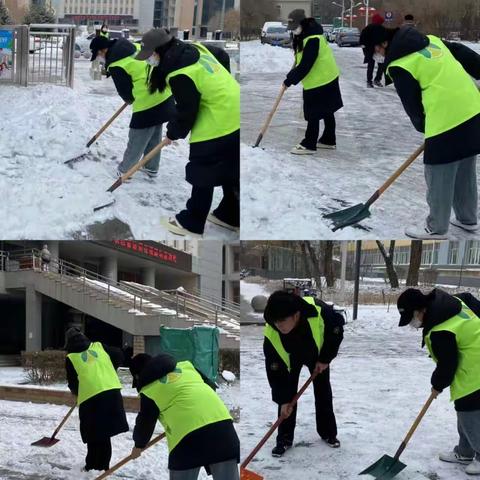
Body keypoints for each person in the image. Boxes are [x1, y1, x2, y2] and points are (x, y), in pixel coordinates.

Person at [364, 25, 480, 239]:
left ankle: (436, 227)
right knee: (464, 166)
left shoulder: (400, 64)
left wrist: (426, 128)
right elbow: (466, 55)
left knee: (438, 172)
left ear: (383, 44)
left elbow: (413, 106)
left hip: (446, 117)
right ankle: (467, 219)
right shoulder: (432, 39)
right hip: (473, 108)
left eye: (374, 50)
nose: (376, 55)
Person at [134, 29, 240, 237]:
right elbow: (221, 56)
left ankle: (192, 222)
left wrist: (173, 132)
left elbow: (186, 111)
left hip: (218, 119)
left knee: (203, 169)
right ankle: (230, 214)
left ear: (159, 51)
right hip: (235, 109)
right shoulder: (193, 48)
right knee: (229, 167)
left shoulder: (179, 73)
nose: (149, 60)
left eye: (150, 55)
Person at [397, 288, 480, 476]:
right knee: (464, 407)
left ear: (420, 310)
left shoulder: (440, 331)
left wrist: (437, 385)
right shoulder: (448, 303)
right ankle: (465, 452)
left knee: (469, 412)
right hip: (473, 361)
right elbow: (468, 298)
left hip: (475, 368)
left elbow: (447, 365)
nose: (413, 324)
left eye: (412, 318)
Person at [129, 353, 240, 479]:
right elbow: (210, 386)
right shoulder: (187, 367)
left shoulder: (149, 390)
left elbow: (145, 424)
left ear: (138, 376)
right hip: (223, 428)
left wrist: (138, 445)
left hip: (187, 442)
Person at [263, 290, 344, 457]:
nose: (278, 325)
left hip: (316, 354)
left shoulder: (319, 311)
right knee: (287, 398)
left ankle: (328, 433)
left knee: (323, 391)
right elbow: (275, 371)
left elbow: (336, 330)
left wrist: (325, 358)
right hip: (289, 360)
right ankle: (284, 439)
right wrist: (283, 399)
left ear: (296, 315)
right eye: (275, 321)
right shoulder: (271, 333)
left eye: (282, 321)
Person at [89, 34, 174, 179]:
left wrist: (129, 98)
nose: (99, 59)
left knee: (138, 136)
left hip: (148, 99)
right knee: (153, 132)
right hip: (164, 91)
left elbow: (125, 91)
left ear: (103, 51)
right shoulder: (132, 46)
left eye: (97, 55)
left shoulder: (116, 63)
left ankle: (125, 170)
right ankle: (151, 167)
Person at [65, 327, 129, 472]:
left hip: (91, 399)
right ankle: (99, 465)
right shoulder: (99, 346)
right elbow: (119, 354)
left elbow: (72, 383)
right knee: (103, 432)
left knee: (93, 432)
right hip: (111, 393)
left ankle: (95, 466)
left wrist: (77, 392)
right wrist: (108, 368)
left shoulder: (71, 357)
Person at [284, 10, 343, 155]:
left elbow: (306, 65)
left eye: (294, 27)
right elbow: (302, 60)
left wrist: (289, 80)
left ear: (302, 24)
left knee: (313, 113)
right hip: (326, 76)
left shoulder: (312, 38)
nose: (293, 31)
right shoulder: (308, 34)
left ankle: (309, 144)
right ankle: (328, 140)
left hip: (320, 79)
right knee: (327, 109)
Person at [360, 13, 386, 88]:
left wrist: (364, 48)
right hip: (377, 50)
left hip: (371, 50)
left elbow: (362, 39)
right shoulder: (381, 28)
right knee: (381, 65)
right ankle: (376, 80)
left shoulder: (368, 28)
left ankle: (370, 81)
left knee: (371, 66)